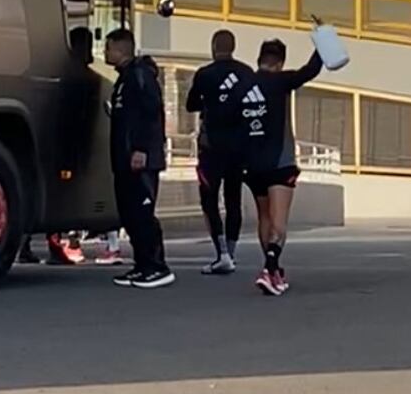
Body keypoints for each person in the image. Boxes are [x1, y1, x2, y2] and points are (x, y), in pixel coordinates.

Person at [240, 39, 322, 296]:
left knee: (264, 217)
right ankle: (270, 268)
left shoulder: (244, 85)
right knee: (279, 220)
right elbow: (310, 70)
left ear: (259, 58)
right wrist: (323, 42)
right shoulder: (282, 80)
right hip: (280, 161)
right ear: (280, 62)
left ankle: (273, 270)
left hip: (251, 164)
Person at [104, 29, 174, 289]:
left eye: (108, 48)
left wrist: (142, 149)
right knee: (129, 214)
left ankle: (157, 266)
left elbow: (150, 113)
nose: (105, 53)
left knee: (143, 212)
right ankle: (142, 264)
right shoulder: (123, 79)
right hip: (123, 160)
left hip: (141, 160)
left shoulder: (140, 75)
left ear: (121, 50)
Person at [186, 30, 253, 275]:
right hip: (239, 147)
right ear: (233, 46)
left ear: (214, 46)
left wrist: (211, 103)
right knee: (233, 200)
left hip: (211, 147)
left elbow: (190, 104)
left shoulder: (205, 74)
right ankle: (232, 254)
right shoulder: (246, 73)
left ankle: (222, 253)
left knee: (209, 199)